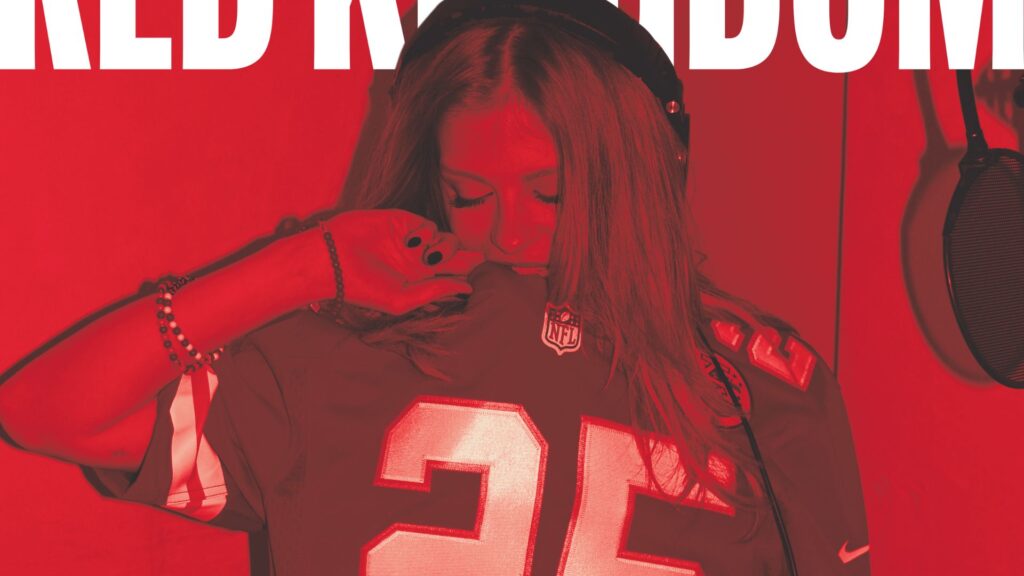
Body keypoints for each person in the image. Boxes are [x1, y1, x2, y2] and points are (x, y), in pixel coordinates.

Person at [0, 0, 870, 574]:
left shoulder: (757, 382)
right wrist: (305, 265)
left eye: (551, 193)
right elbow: (45, 411)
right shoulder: (351, 344)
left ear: (640, 172)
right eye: (469, 195)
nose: (510, 234)